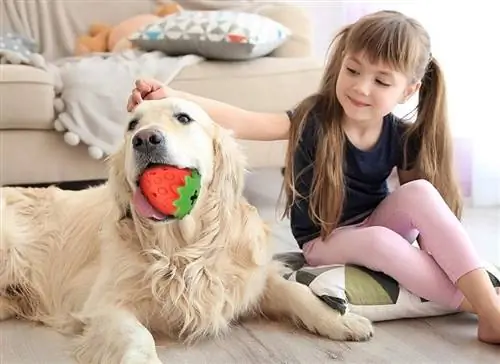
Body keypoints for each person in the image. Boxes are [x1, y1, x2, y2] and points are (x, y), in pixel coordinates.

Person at [127, 10, 500, 344]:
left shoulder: (401, 135)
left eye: (381, 81)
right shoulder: (315, 119)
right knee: (379, 241)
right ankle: (484, 308)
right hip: (326, 240)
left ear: (408, 90)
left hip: (376, 225)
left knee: (419, 191)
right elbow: (244, 119)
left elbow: (425, 219)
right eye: (353, 70)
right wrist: (172, 95)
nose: (361, 87)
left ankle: (486, 302)